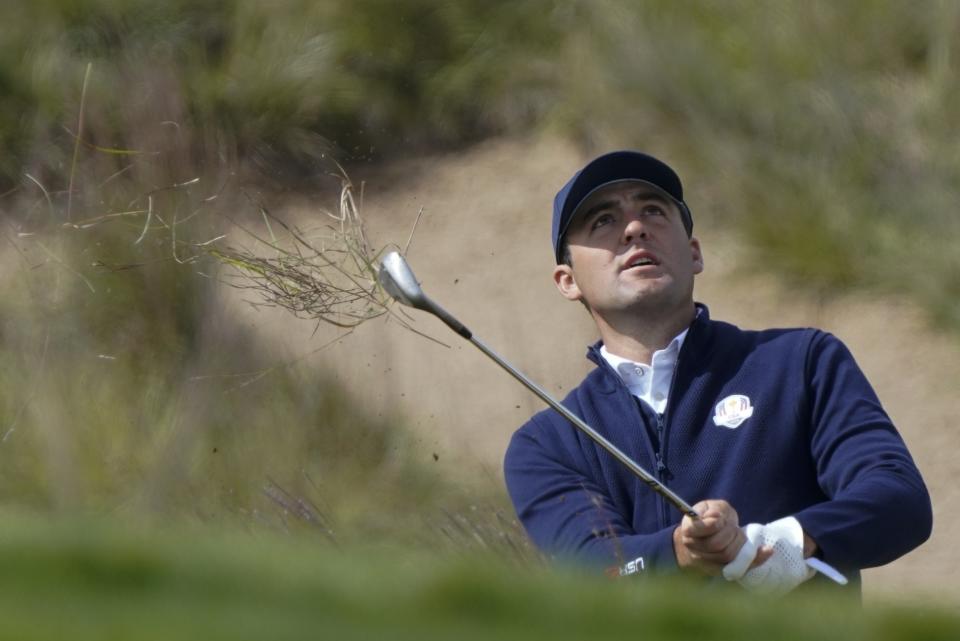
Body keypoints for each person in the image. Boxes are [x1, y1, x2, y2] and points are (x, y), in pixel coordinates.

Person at [502, 150, 932, 594]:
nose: (634, 227)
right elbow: (592, 571)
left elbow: (898, 500)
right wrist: (680, 552)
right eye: (603, 221)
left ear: (693, 254)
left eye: (653, 210)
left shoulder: (801, 362)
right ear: (567, 281)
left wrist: (788, 542)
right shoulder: (548, 442)